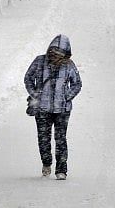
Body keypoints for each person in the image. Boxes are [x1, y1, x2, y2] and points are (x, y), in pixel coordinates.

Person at [23, 34, 82, 180]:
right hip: (42, 109)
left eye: (59, 54)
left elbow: (77, 83)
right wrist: (35, 94)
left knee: (61, 139)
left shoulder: (69, 65)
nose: (54, 56)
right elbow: (28, 78)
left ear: (65, 54)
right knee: (43, 139)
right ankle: (46, 163)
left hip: (62, 110)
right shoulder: (39, 61)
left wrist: (66, 96)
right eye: (53, 52)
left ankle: (61, 170)